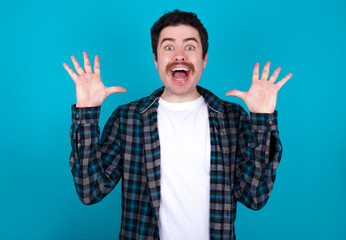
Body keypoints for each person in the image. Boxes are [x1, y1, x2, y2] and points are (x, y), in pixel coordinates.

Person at [63, 9, 292, 240]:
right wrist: (87, 114)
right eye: (169, 47)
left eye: (190, 47)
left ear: (204, 59)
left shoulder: (233, 118)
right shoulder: (128, 119)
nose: (179, 56)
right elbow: (90, 190)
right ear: (156, 59)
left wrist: (263, 119)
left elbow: (254, 196)